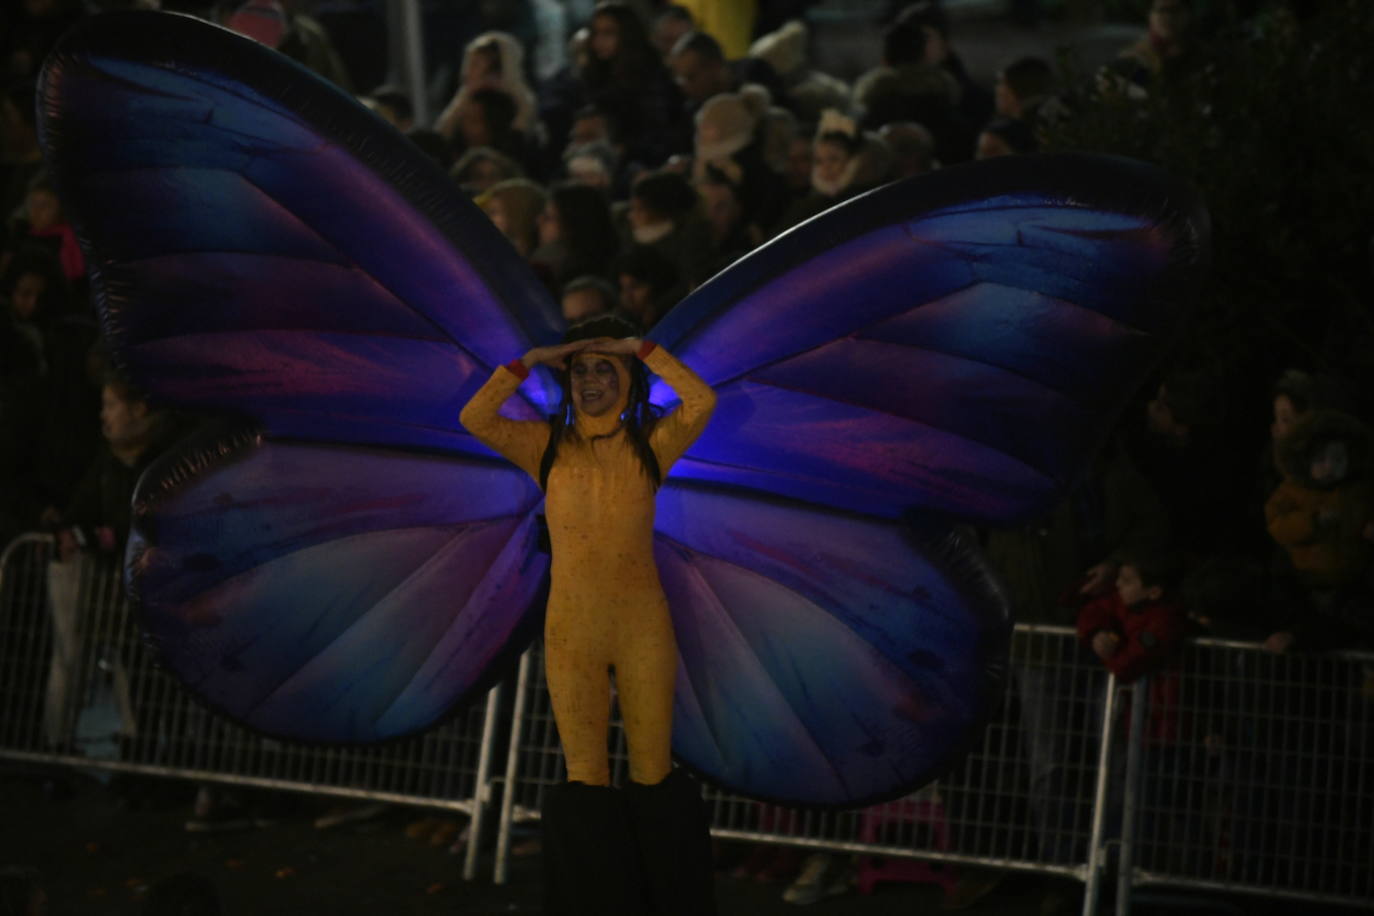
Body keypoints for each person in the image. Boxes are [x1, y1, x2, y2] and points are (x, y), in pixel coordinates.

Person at [459, 313, 717, 915]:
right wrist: (533, 357)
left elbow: (703, 400)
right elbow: (474, 418)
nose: (592, 380)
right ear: (566, 377)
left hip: (642, 628)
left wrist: (643, 348)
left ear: (630, 378)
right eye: (581, 370)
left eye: (606, 368)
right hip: (571, 632)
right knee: (586, 780)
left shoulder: (652, 445)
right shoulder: (543, 446)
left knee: (654, 772)